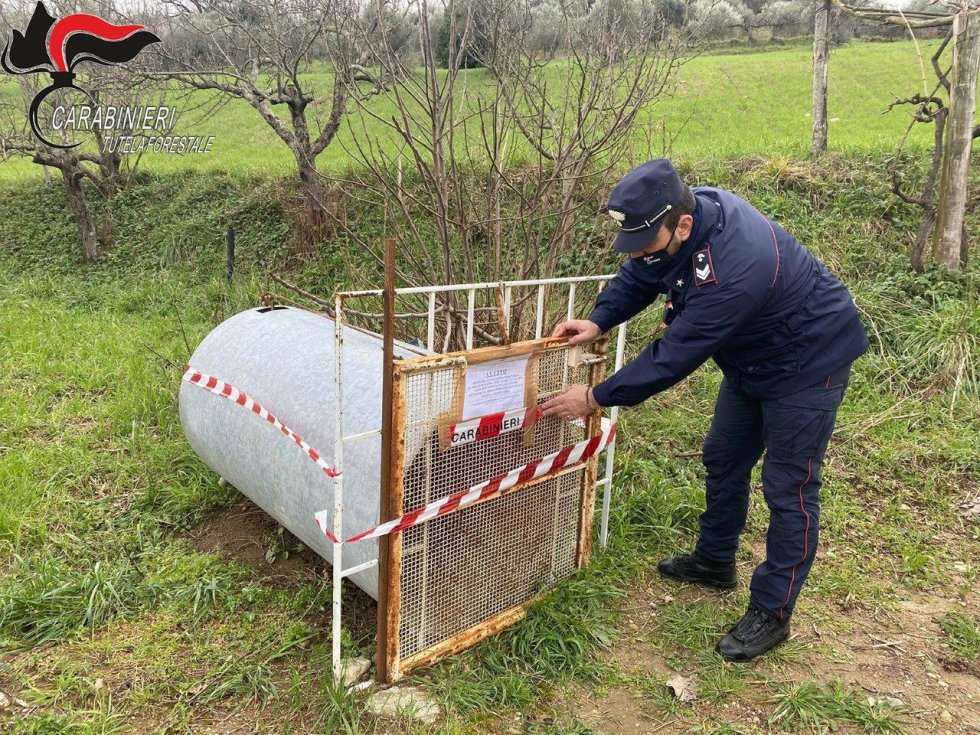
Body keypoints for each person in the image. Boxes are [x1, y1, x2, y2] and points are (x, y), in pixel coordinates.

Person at [541, 159, 869, 662]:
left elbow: (674, 355)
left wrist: (594, 397)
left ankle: (772, 612)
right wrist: (599, 320)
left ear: (683, 225)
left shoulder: (737, 267)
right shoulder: (682, 219)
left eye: (648, 240)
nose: (641, 252)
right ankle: (715, 561)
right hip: (752, 361)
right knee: (722, 455)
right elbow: (643, 272)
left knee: (789, 486)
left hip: (809, 361)